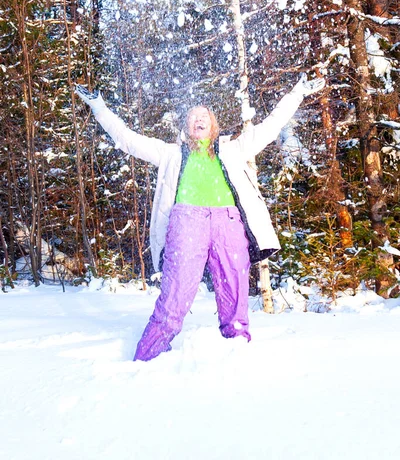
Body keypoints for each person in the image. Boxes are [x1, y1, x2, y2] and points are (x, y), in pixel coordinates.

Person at [76, 74, 325, 361]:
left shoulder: (233, 149)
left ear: (214, 125)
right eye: (193, 115)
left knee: (235, 289)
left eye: (204, 115)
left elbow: (271, 125)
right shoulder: (170, 154)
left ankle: (238, 352)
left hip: (229, 223)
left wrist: (298, 92)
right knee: (175, 292)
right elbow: (127, 139)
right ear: (186, 127)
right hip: (186, 222)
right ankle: (148, 357)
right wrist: (99, 107)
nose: (198, 118)